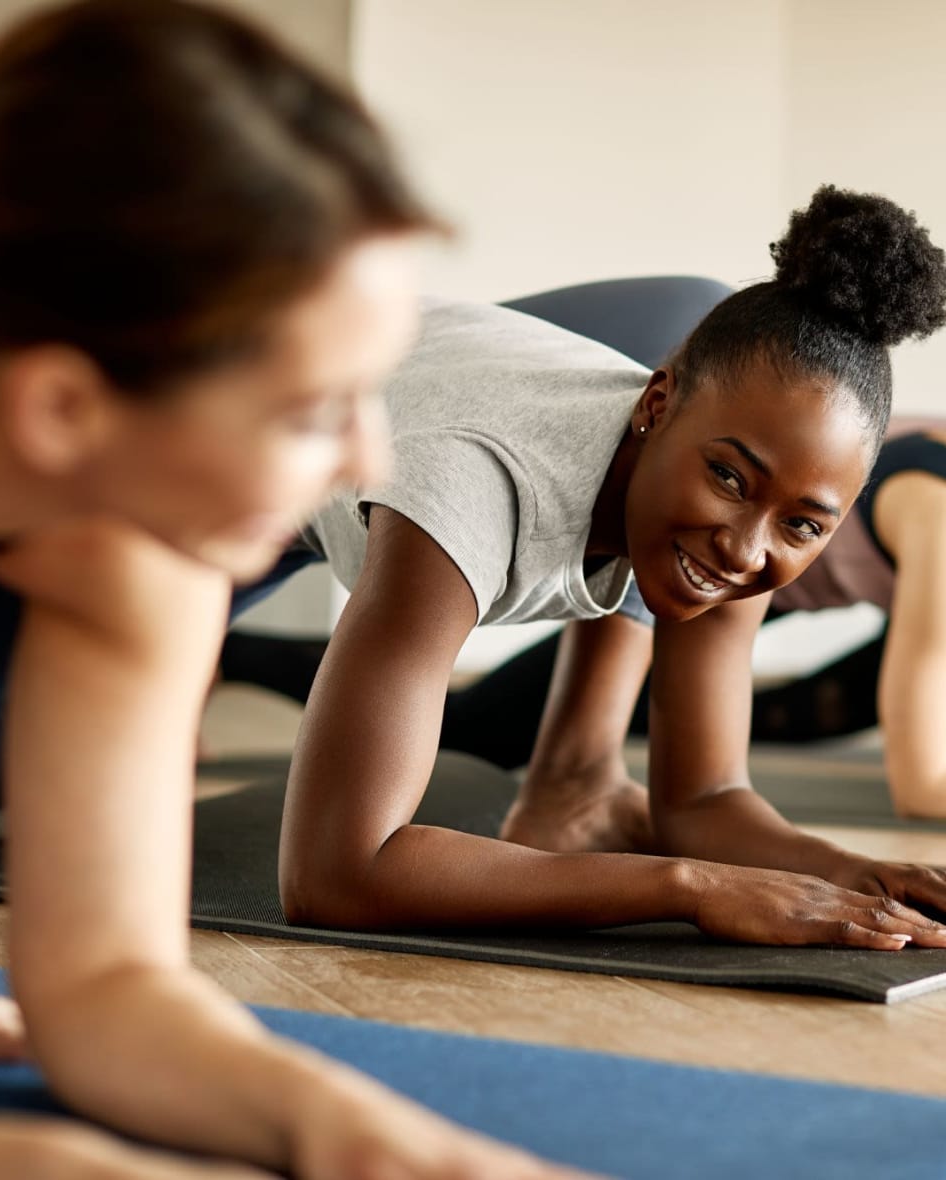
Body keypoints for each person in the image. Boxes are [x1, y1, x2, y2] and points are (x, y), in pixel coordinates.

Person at [0, 3, 595, 1178]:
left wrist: (373, 1142)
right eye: (310, 411)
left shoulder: (150, 547)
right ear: (61, 408)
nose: (368, 462)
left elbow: (104, 980)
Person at [226, 184, 946, 943]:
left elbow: (701, 799)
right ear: (656, 403)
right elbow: (334, 875)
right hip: (229, 426)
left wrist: (851, 873)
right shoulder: (470, 489)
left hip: (435, 373)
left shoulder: (751, 535)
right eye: (729, 477)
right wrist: (688, 886)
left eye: (802, 523)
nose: (744, 548)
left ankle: (575, 784)